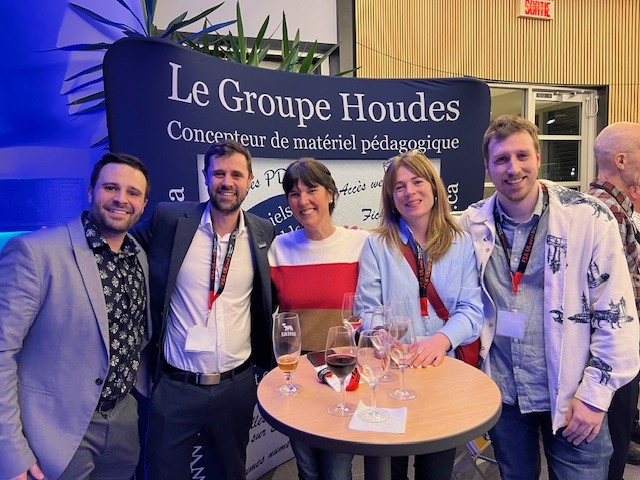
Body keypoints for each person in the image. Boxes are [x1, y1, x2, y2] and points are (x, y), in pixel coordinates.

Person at [459, 114, 640, 479]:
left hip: (575, 395)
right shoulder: (471, 224)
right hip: (506, 394)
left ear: (538, 158)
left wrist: (595, 397)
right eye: (501, 159)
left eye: (522, 156)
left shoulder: (589, 218)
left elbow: (617, 315)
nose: (513, 168)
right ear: (487, 167)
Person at [0, 153, 151, 480]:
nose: (121, 199)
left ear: (143, 204)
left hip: (123, 421)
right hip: (56, 431)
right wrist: (10, 452)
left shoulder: (137, 255)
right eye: (110, 187)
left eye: (133, 192)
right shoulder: (36, 253)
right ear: (91, 191)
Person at [132, 139, 274, 479]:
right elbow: (122, 243)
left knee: (229, 473)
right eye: (219, 173)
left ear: (250, 180)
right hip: (175, 386)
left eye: (236, 174)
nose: (227, 182)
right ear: (206, 176)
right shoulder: (170, 220)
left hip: (235, 387)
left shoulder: (262, 231)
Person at [356, 150, 483, 480]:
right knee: (389, 470)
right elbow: (367, 310)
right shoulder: (376, 245)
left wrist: (441, 340)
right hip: (392, 372)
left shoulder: (461, 242)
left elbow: (472, 310)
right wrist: (380, 335)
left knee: (436, 471)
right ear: (391, 197)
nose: (409, 192)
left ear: (434, 187)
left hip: (443, 372)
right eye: (399, 187)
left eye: (417, 182)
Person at [268, 158, 369, 480]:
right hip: (298, 376)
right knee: (307, 470)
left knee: (337, 471)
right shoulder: (278, 248)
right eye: (294, 194)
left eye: (311, 190)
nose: (303, 200)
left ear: (330, 194)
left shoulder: (361, 243)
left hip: (342, 372)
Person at [586, 121, 640, 478]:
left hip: (614, 349)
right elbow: (612, 298)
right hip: (612, 351)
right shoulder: (605, 213)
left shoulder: (613, 208)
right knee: (611, 451)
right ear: (621, 160)